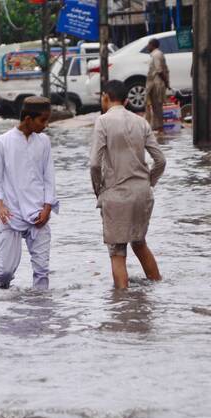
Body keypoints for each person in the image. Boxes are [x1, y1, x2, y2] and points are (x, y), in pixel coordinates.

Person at [90, 80, 166, 289]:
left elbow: (95, 164)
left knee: (117, 252)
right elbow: (160, 160)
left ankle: (122, 307)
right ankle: (159, 290)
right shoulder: (141, 122)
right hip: (142, 193)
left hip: (116, 194)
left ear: (105, 97)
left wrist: (98, 189)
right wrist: (148, 182)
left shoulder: (103, 121)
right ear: (126, 100)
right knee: (140, 243)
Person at [0, 96, 58, 290]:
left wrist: (48, 207)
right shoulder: (1, 142)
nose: (46, 125)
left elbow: (49, 177)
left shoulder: (44, 141)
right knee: (6, 272)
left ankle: (40, 314)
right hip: (12, 213)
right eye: (42, 120)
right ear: (28, 119)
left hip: (39, 213)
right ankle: (4, 308)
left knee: (42, 271)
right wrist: (0, 205)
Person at [145, 38, 170, 133]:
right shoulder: (155, 54)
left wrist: (166, 82)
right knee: (154, 106)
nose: (147, 46)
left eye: (148, 44)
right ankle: (156, 127)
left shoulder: (156, 55)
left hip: (156, 85)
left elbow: (159, 71)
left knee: (157, 106)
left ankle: (160, 129)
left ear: (152, 45)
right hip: (154, 84)